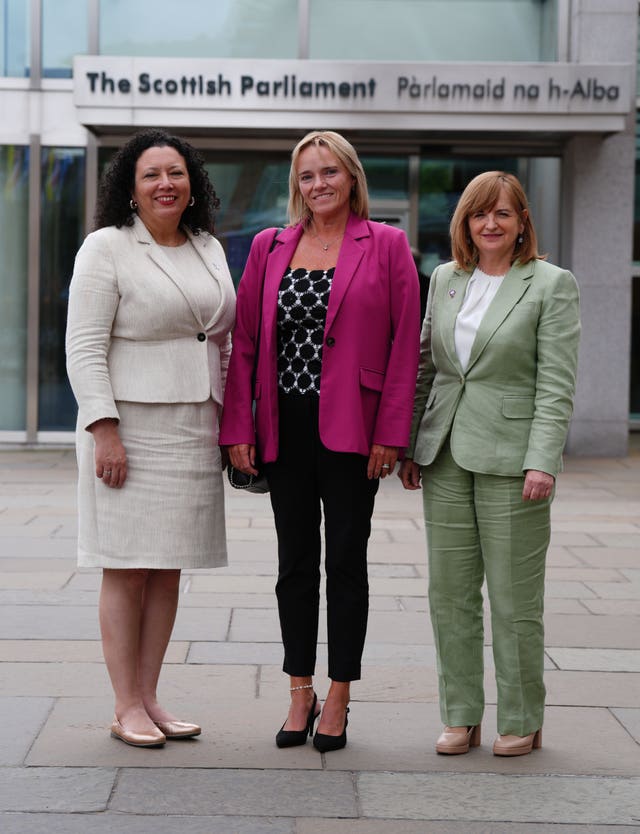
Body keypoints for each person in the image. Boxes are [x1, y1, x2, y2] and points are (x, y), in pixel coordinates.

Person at [220, 130, 420, 752]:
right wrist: (239, 428)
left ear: (351, 176)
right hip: (285, 425)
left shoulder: (385, 244)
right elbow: (246, 342)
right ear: (296, 185)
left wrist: (392, 432)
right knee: (294, 565)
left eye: (329, 172)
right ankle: (299, 689)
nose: (318, 185)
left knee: (347, 566)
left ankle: (339, 694)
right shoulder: (269, 245)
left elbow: (405, 343)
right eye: (307, 175)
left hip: (354, 428)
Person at [400, 171, 580, 757]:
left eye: (503, 213)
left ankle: (522, 717)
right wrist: (408, 443)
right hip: (445, 451)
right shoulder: (446, 279)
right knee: (449, 596)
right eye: (480, 214)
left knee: (513, 600)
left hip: (513, 462)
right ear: (465, 223)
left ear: (523, 221)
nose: (491, 224)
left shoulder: (552, 285)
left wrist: (543, 460)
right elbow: (427, 365)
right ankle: (460, 716)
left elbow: (555, 383)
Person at [66, 129, 235, 748]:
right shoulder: (105, 248)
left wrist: (231, 423)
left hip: (194, 425)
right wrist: (104, 429)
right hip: (129, 427)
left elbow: (221, 339)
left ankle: (150, 697)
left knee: (167, 569)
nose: (166, 183)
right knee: (128, 566)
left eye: (176, 172)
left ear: (192, 182)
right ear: (130, 191)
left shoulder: (207, 246)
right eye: (151, 175)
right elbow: (83, 346)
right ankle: (123, 705)